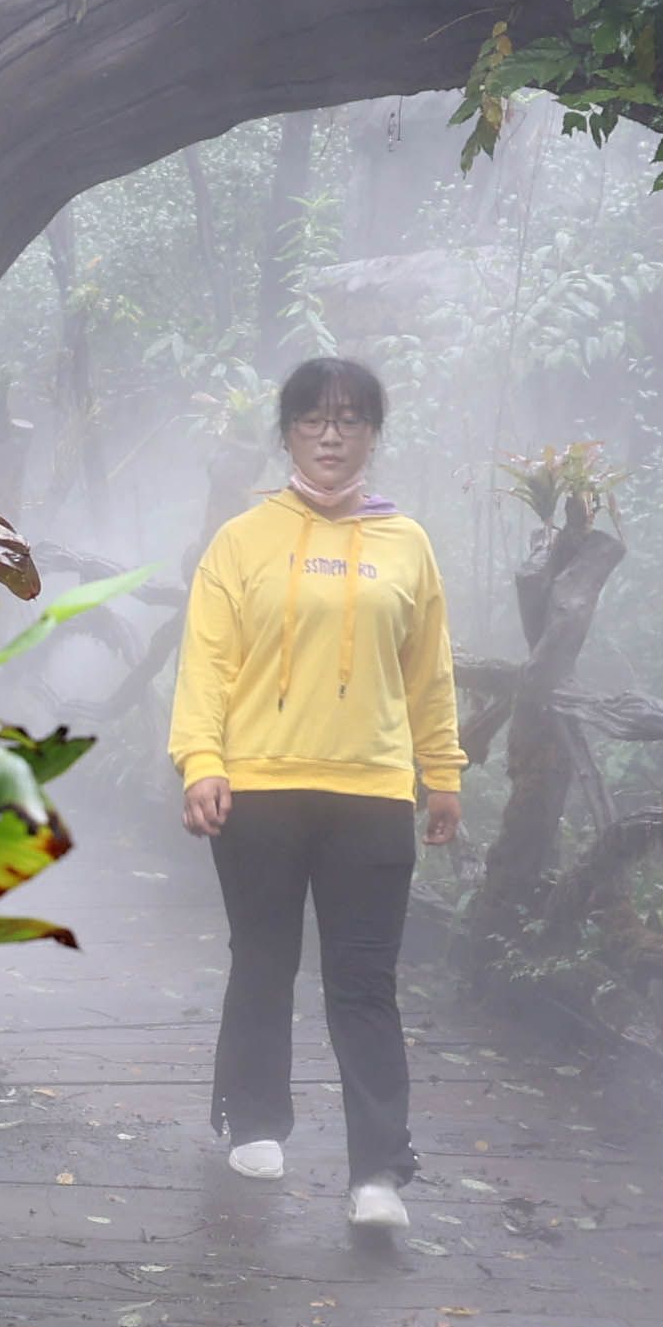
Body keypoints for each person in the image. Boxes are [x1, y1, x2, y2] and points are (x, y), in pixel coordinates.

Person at [168, 356, 465, 1236]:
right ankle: (255, 1121)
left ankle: (378, 1171)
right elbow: (207, 663)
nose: (331, 434)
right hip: (258, 787)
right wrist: (200, 761)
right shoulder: (243, 539)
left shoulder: (406, 543)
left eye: (349, 419)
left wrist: (441, 773)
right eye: (312, 418)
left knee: (364, 981)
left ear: (374, 433)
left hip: (371, 792)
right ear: (288, 431)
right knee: (263, 957)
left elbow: (430, 671)